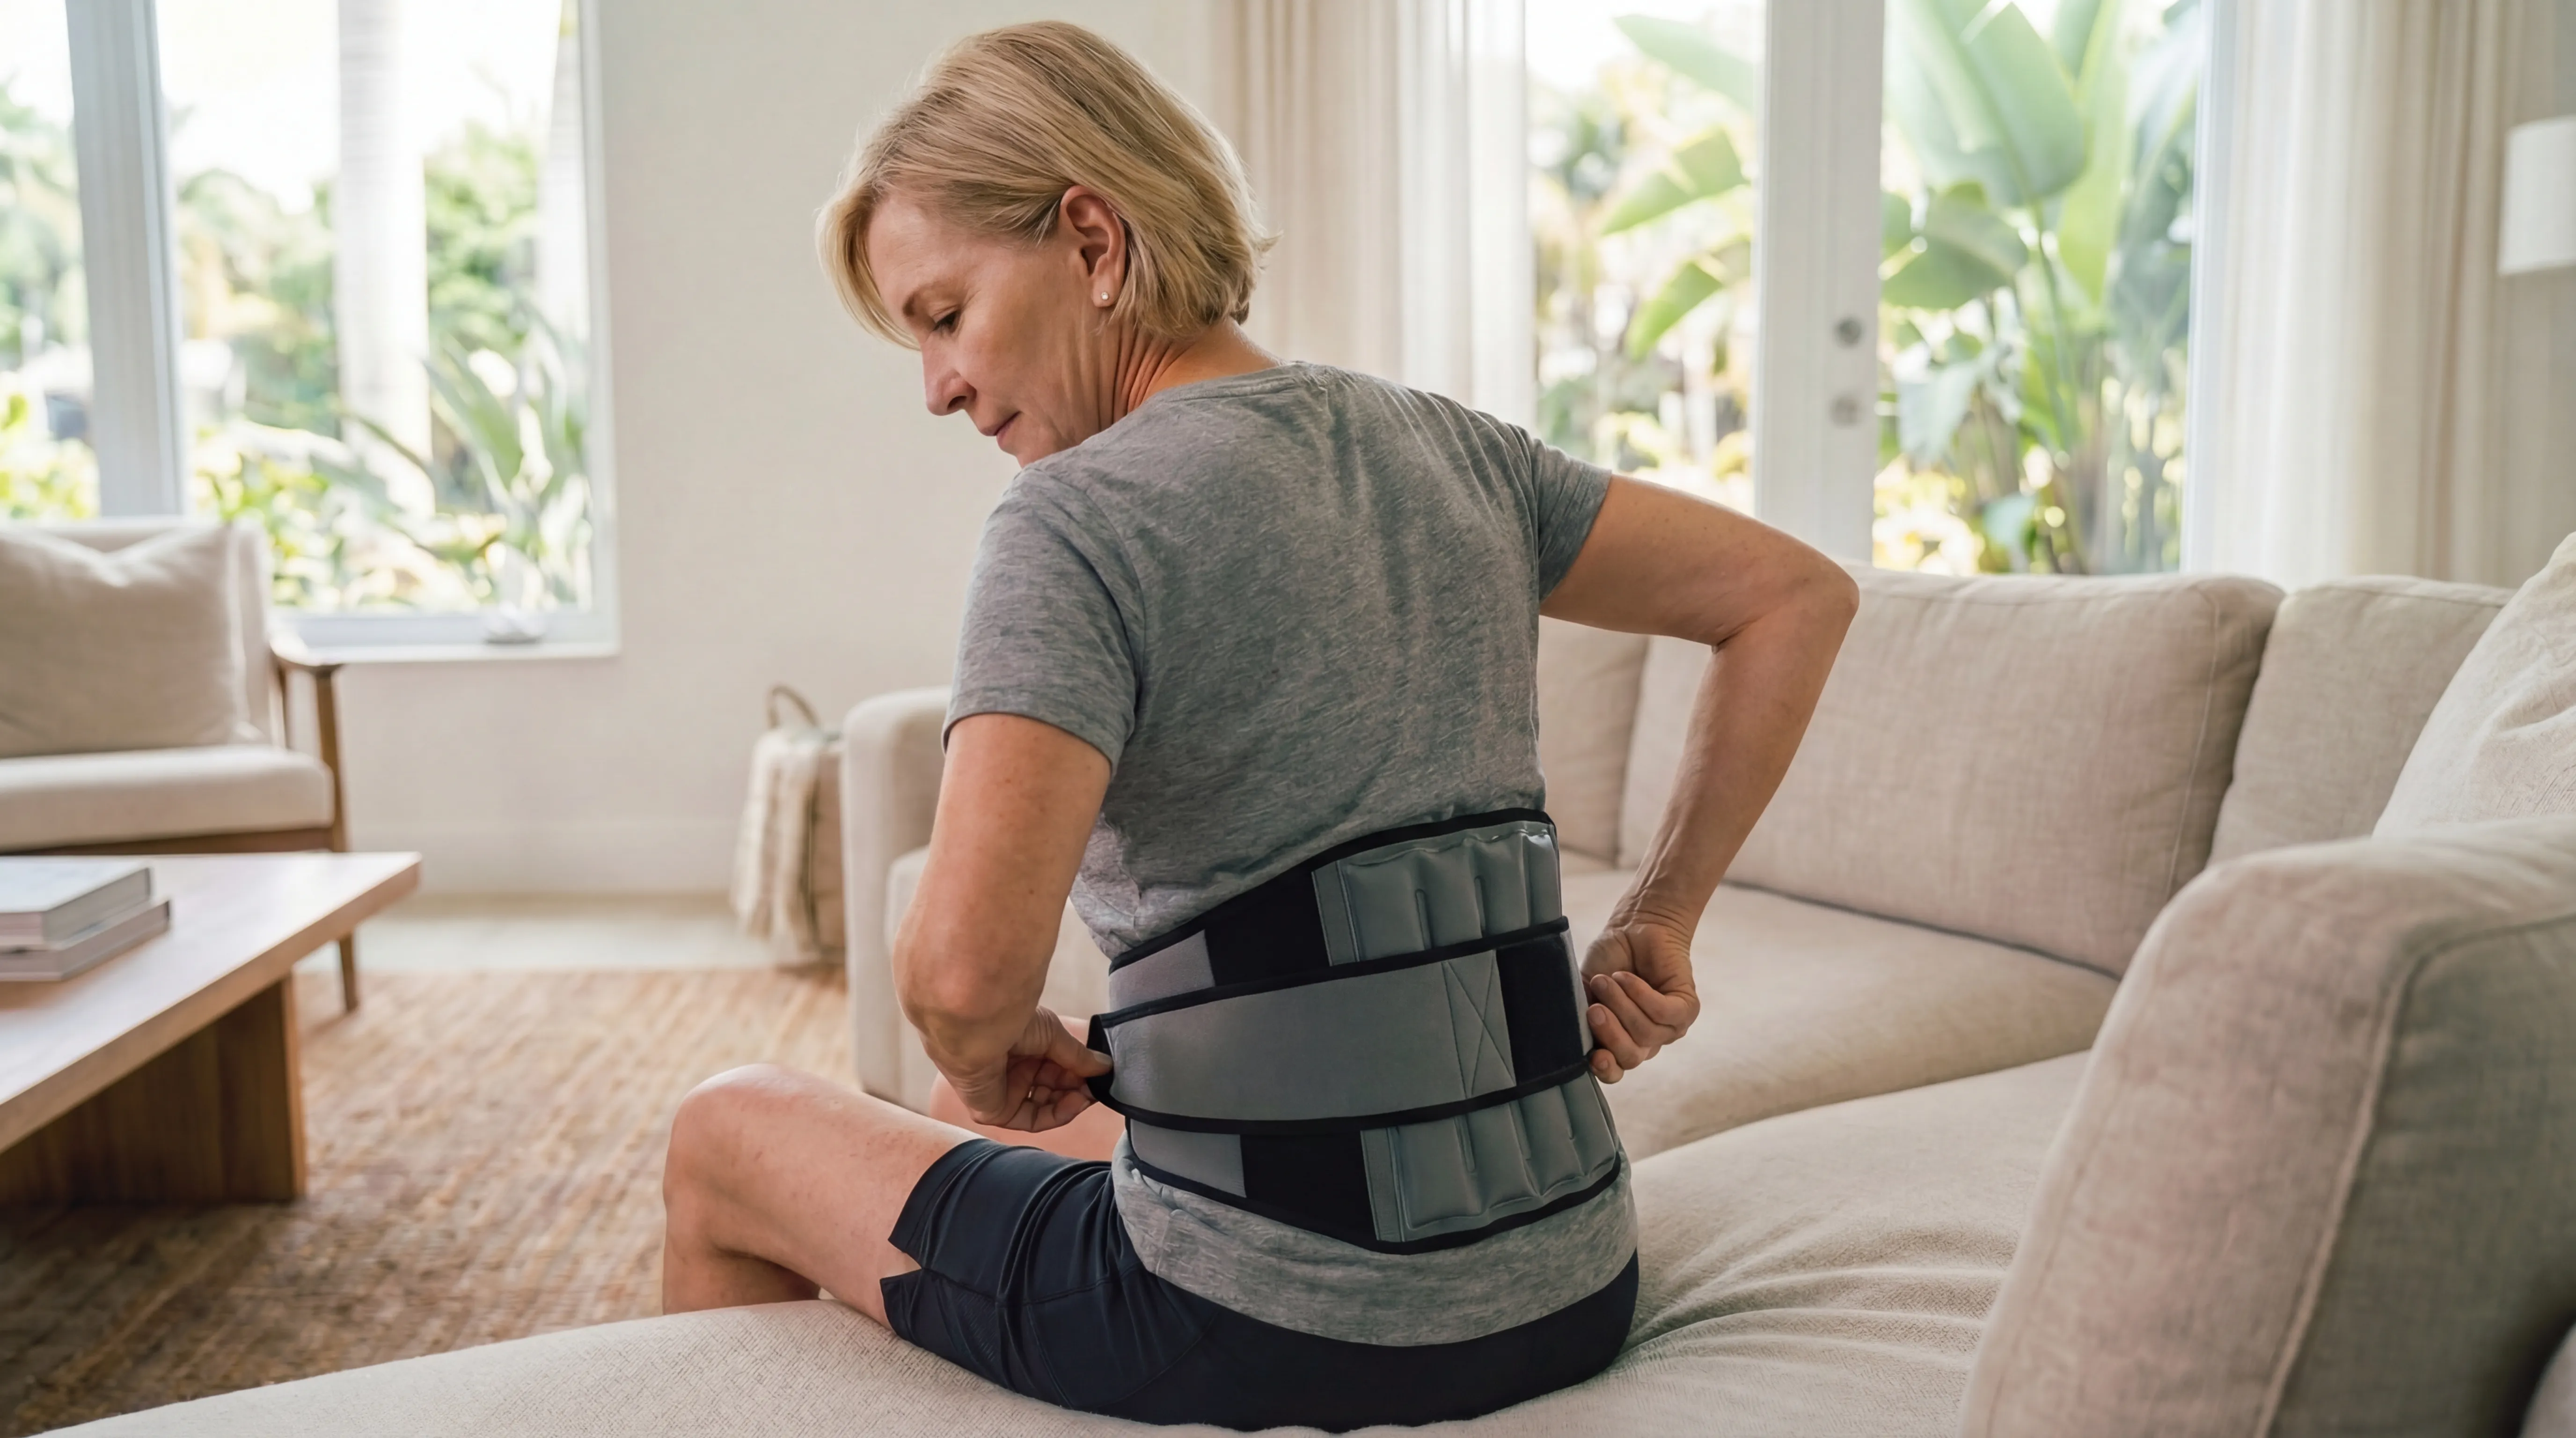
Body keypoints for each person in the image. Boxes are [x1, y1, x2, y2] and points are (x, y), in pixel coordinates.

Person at [658, 20, 1856, 1431]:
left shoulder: (1075, 522)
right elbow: (1793, 593)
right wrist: (1660, 917)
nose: (939, 387)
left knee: (726, 1129)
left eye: (944, 315)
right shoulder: (1456, 449)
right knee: (957, 1100)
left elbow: (962, 975)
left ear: (1093, 242)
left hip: (1260, 1327)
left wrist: (990, 1048)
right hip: (1571, 1281)